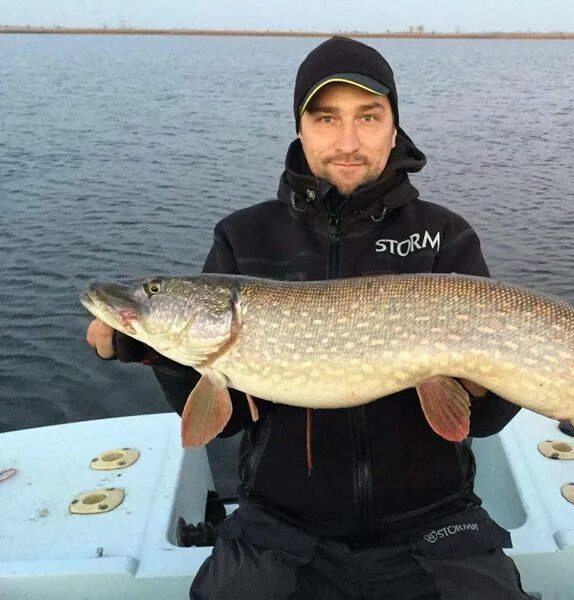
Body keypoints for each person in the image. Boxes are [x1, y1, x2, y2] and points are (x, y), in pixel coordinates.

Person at [86, 36, 529, 600]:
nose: (347, 141)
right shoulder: (243, 237)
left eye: (368, 117)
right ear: (301, 127)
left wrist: (479, 379)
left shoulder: (444, 236)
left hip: (436, 523)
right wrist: (150, 349)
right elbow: (222, 425)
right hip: (279, 528)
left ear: (394, 128)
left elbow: (485, 422)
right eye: (326, 118)